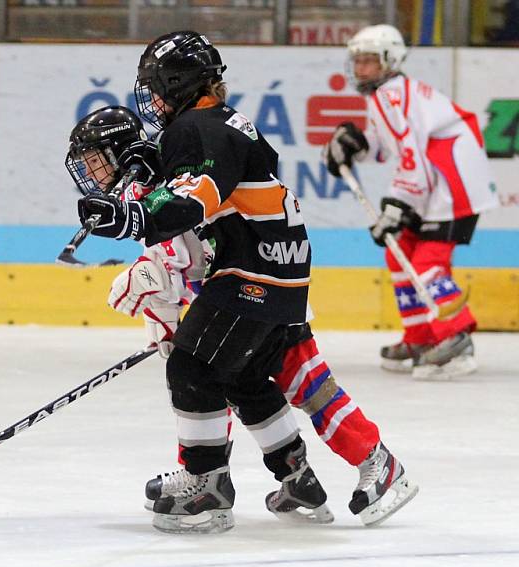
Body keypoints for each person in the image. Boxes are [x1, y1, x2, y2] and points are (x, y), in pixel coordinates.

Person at [74, 31, 398, 534]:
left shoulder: (196, 127)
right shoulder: (223, 124)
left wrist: (129, 217)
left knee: (192, 364)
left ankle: (205, 486)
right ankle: (325, 469)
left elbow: (193, 197)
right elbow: (211, 199)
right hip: (280, 265)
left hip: (254, 271)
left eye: (158, 87)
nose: (153, 99)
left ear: (178, 84)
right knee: (259, 375)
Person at [323, 24, 500, 380]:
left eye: (369, 61)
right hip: (437, 184)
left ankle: (456, 337)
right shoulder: (387, 93)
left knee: (427, 263)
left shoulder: (392, 95)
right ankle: (420, 337)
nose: (360, 69)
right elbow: (390, 146)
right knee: (399, 250)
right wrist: (358, 143)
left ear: (390, 60)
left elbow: (413, 157)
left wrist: (397, 206)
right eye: (358, 61)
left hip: (452, 184)